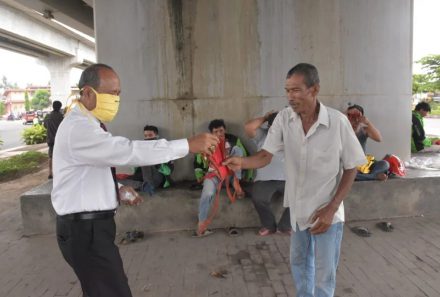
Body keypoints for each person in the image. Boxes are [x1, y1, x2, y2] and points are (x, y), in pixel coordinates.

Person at [51, 63, 218, 297]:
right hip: (85, 230)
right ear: (88, 92)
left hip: (88, 228)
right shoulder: (79, 127)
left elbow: (87, 171)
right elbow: (127, 151)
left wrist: (117, 188)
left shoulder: (86, 124)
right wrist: (187, 145)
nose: (116, 100)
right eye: (111, 94)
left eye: (118, 94)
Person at [224, 63, 365, 297]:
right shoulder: (284, 119)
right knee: (299, 264)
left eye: (296, 90)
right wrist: (241, 163)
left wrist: (331, 208)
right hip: (298, 210)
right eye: (287, 90)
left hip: (327, 212)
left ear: (314, 89)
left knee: (324, 274)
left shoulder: (337, 122)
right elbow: (265, 156)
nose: (290, 96)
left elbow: (352, 168)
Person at [193, 119, 248, 237]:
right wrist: (199, 175)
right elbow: (197, 162)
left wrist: (247, 176)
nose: (219, 133)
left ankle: (237, 185)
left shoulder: (233, 140)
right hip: (214, 175)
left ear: (225, 130)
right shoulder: (206, 143)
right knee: (207, 193)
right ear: (211, 133)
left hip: (231, 174)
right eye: (216, 131)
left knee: (237, 150)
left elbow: (244, 157)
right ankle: (201, 224)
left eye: (221, 130)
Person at [244, 111, 290, 236]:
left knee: (301, 198)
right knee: (258, 198)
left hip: (289, 179)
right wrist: (265, 117)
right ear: (269, 127)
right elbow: (248, 127)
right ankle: (269, 226)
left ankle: (285, 226)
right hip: (265, 179)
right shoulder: (262, 135)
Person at [118, 124, 174, 195]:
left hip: (156, 178)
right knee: (116, 182)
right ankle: (143, 185)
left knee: (146, 157)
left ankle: (147, 185)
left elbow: (169, 171)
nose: (147, 138)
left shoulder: (164, 149)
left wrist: (158, 165)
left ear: (157, 136)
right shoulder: (142, 147)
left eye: (150, 135)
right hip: (141, 178)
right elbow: (134, 168)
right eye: (146, 136)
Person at [346, 104, 389, 181]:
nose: (354, 118)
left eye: (357, 115)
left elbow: (379, 138)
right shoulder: (343, 127)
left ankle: (367, 176)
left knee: (385, 164)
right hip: (347, 163)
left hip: (362, 164)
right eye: (351, 115)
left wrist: (367, 122)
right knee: (342, 172)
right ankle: (374, 176)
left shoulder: (364, 129)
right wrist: (346, 116)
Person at [43, 100, 64, 179]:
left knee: (51, 157)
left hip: (51, 140)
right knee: (61, 156)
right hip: (60, 140)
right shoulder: (62, 117)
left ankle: (50, 173)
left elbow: (45, 126)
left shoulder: (48, 116)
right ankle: (59, 172)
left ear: (53, 106)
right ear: (60, 107)